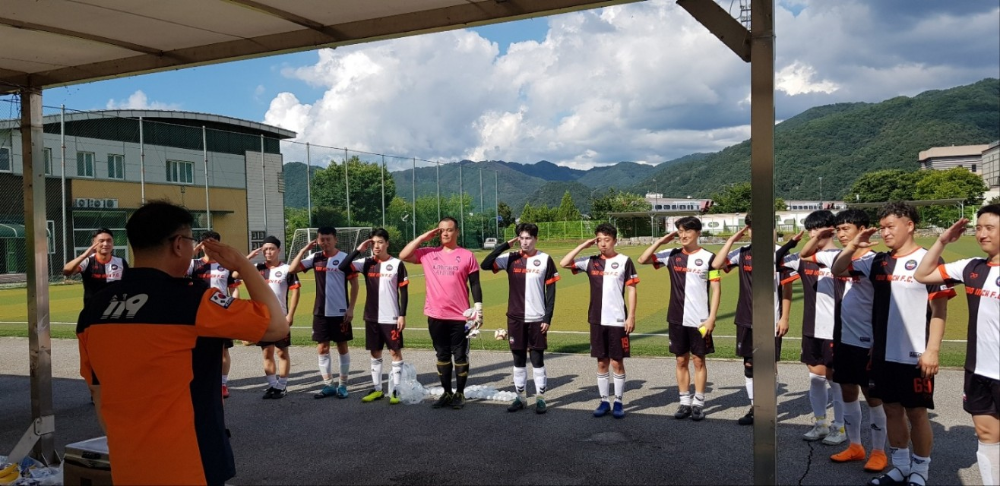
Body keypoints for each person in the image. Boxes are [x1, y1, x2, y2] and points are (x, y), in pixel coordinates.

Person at [76, 201, 287, 485]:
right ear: (178, 244)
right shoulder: (192, 299)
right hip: (188, 463)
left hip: (128, 462)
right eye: (189, 240)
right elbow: (276, 326)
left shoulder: (94, 309)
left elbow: (98, 390)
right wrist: (242, 265)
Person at [831, 202, 953, 486]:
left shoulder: (929, 259)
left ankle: (920, 471)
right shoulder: (878, 261)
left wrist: (932, 350)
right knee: (892, 410)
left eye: (890, 227)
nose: (885, 233)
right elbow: (838, 270)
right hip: (882, 353)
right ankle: (899, 466)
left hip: (915, 354)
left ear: (909, 225)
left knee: (917, 413)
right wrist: (852, 247)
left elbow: (940, 311)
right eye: (882, 227)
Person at [914, 204, 1000, 486]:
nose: (982, 234)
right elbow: (922, 275)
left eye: (990, 228)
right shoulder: (972, 267)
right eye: (979, 228)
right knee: (987, 435)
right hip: (979, 369)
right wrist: (941, 241)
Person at [799, 209, 888, 472]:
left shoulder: (877, 261)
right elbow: (805, 255)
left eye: (845, 228)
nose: (840, 233)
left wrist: (879, 341)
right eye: (837, 229)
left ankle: (879, 451)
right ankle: (855, 445)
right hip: (844, 338)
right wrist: (823, 235)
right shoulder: (836, 257)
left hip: (870, 340)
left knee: (872, 397)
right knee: (848, 392)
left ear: (863, 229)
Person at [711, 214, 798, 426]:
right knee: (749, 364)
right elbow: (716, 263)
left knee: (769, 365)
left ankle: (769, 408)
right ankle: (754, 407)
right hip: (745, 317)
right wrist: (731, 240)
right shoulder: (742, 252)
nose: (754, 231)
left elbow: (787, 289)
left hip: (771, 319)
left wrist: (784, 318)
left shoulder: (780, 253)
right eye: (750, 227)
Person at [638, 216, 720, 421]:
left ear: (698, 233)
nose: (683, 235)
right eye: (680, 231)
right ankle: (684, 401)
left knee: (699, 361)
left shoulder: (710, 258)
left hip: (700, 320)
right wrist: (660, 242)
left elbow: (717, 290)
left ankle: (699, 403)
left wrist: (711, 318)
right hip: (676, 318)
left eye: (687, 231)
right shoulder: (671, 255)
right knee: (681, 360)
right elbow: (642, 259)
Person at [399, 217, 483, 410]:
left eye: (449, 230)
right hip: (436, 315)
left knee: (460, 356)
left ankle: (460, 394)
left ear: (457, 232)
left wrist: (478, 310)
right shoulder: (428, 253)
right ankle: (446, 392)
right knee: (442, 355)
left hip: (461, 316)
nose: (445, 233)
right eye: (442, 230)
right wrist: (423, 237)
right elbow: (403, 255)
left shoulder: (467, 255)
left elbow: (475, 284)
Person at [781, 210, 847, 445]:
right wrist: (795, 243)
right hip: (812, 327)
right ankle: (820, 423)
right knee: (815, 376)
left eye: (815, 229)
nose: (812, 233)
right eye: (809, 229)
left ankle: (840, 427)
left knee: (836, 378)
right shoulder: (802, 258)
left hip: (838, 329)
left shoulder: (843, 256)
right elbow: (776, 261)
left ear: (829, 229)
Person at [560, 223, 638, 419]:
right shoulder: (591, 261)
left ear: (615, 240)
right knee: (601, 362)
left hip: (618, 319)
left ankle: (619, 402)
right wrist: (583, 246)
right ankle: (604, 401)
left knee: (617, 362)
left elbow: (631, 289)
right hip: (596, 319)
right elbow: (564, 263)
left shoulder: (624, 261)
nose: (603, 244)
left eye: (607, 240)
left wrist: (631, 316)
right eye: (599, 240)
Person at [480, 222, 560, 414]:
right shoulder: (510, 258)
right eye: (521, 238)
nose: (525, 242)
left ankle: (541, 399)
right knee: (518, 359)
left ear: (535, 239)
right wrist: (506, 245)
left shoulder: (545, 259)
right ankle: (521, 398)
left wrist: (547, 317)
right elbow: (484, 265)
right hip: (515, 317)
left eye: (528, 238)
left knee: (537, 358)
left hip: (537, 318)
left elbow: (551, 292)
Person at [338, 228, 409, 405]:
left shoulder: (397, 264)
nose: (376, 246)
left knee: (394, 352)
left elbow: (404, 291)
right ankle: (377, 389)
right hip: (371, 317)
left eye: (380, 242)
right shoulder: (366, 263)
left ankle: (396, 390)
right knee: (375, 352)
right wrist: (358, 250)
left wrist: (402, 315)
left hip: (391, 317)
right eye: (373, 243)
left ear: (387, 244)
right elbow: (342, 266)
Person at [289, 226, 360, 399]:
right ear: (317, 240)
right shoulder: (315, 258)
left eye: (328, 239)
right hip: (320, 311)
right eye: (322, 239)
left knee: (342, 346)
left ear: (335, 240)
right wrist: (304, 250)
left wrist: (351, 308)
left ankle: (343, 385)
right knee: (322, 348)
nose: (325, 243)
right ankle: (328, 385)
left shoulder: (344, 259)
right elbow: (292, 269)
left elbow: (355, 285)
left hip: (340, 312)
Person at [244, 236, 300, 399]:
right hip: (262, 318)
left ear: (278, 250)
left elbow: (295, 291)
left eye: (271, 249)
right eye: (265, 249)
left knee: (281, 352)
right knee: (266, 353)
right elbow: (234, 274)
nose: (268, 252)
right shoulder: (256, 268)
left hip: (280, 317)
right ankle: (272, 385)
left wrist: (290, 314)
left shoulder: (287, 269)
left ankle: (282, 385)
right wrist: (248, 258)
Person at [188, 231, 241, 398]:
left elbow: (234, 289)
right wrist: (193, 252)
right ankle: (199, 380)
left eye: (213, 243)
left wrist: (232, 308)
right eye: (206, 243)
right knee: (197, 349)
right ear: (201, 245)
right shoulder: (193, 264)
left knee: (223, 350)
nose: (209, 247)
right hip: (199, 315)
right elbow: (175, 272)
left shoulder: (225, 265)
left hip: (221, 315)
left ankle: (223, 383)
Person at [63, 228, 128, 304]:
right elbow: (66, 271)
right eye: (101, 241)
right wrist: (84, 255)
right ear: (94, 244)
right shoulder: (87, 261)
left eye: (109, 240)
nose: (106, 244)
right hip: (92, 309)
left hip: (114, 309)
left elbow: (128, 284)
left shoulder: (120, 262)